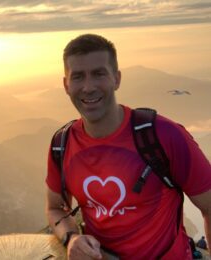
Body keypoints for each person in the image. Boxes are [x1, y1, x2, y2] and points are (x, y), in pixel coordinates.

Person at [45, 34, 211, 259]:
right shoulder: (61, 146)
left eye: (98, 74)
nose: (88, 87)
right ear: (66, 85)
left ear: (117, 78)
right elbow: (56, 207)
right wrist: (71, 237)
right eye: (77, 77)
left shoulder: (164, 136)